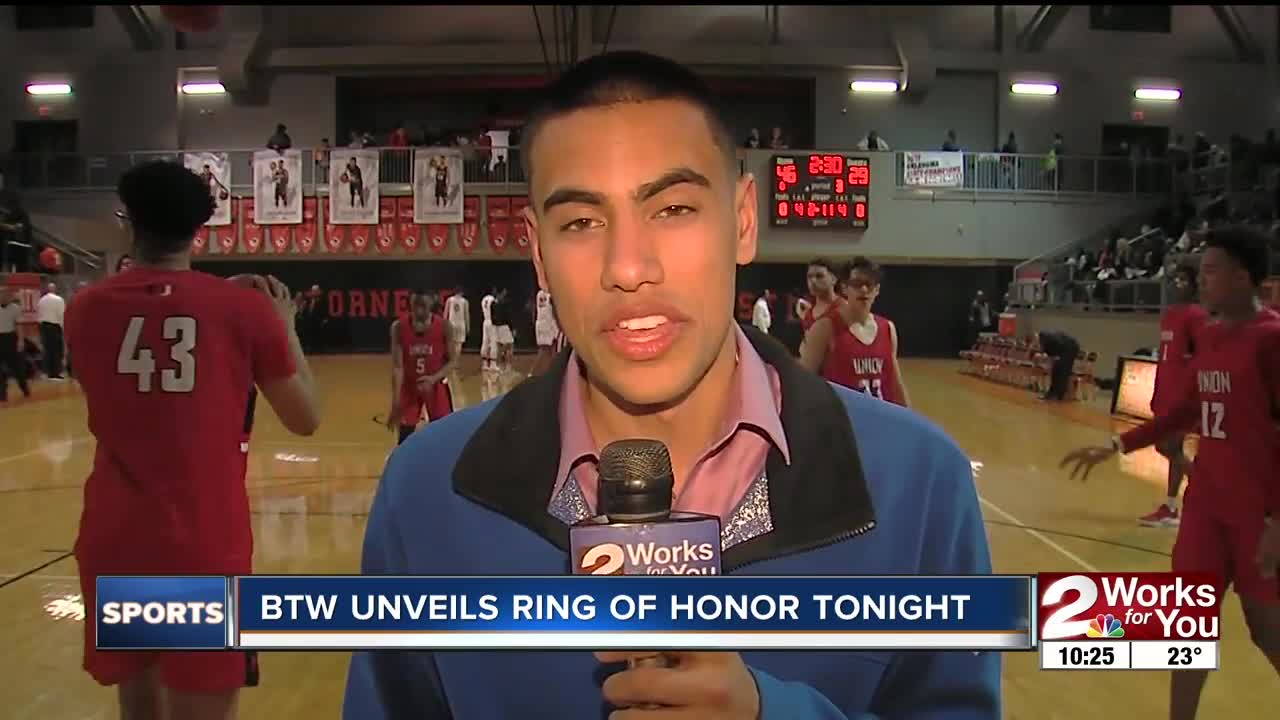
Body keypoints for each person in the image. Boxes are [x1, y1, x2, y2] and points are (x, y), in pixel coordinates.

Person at [344, 50, 997, 719]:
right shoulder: (424, 493)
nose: (629, 268)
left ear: (743, 221)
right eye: (580, 223)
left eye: (674, 208)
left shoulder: (921, 484)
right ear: (539, 254)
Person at [67, 161, 321, 720]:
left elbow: (151, 326)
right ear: (199, 228)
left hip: (117, 541)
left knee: (138, 711)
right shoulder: (244, 311)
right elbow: (305, 417)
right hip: (203, 543)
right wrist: (285, 327)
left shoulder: (84, 310)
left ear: (128, 223)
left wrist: (191, 298)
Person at [1061, 226, 1280, 720]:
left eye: (1211, 270)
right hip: (1207, 505)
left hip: (1257, 514)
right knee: (1188, 627)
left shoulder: (1271, 340)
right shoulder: (1209, 334)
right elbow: (1186, 413)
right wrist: (1117, 443)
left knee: (1266, 630)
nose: (1201, 279)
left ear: (1243, 276)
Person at [1138, 264, 1209, 528]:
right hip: (1166, 392)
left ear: (1194, 284)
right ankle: (1170, 507)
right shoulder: (1169, 315)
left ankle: (1208, 493)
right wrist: (1157, 392)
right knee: (1169, 447)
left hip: (1183, 396)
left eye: (1183, 279)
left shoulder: (1197, 316)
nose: (1177, 284)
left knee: (1168, 447)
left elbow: (1202, 357)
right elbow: (1166, 357)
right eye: (1174, 279)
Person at [799, 257, 911, 407]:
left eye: (869, 284)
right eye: (857, 284)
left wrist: (909, 417)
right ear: (845, 288)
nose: (864, 290)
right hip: (841, 422)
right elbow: (802, 381)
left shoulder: (887, 328)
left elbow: (895, 383)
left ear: (877, 289)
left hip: (878, 418)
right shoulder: (826, 327)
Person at [387, 291, 455, 446]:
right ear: (410, 305)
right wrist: (396, 401)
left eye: (423, 306)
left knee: (444, 436)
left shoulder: (444, 326)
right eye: (415, 306)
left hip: (435, 386)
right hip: (410, 387)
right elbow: (398, 367)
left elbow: (452, 361)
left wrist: (433, 378)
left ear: (431, 304)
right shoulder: (398, 327)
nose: (419, 311)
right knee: (404, 439)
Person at [0, 286, 31, 402]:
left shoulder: (15, 308)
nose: (2, 297)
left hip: (10, 338)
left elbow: (19, 326)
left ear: (9, 296)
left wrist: (20, 341)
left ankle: (24, 389)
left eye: (4, 295)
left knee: (17, 368)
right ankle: (2, 395)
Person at [798, 257, 842, 333]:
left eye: (819, 276)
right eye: (809, 277)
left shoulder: (844, 308)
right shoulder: (808, 314)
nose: (813, 281)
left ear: (833, 279)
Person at [1036, 329, 1080, 401]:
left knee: (1061, 372)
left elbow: (1052, 359)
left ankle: (1056, 395)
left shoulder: (1048, 342)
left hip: (1070, 349)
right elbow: (1052, 358)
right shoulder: (1047, 339)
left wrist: (1050, 369)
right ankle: (1056, 394)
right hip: (1069, 348)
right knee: (1060, 371)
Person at [37, 281, 66, 381]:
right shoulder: (59, 300)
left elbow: (39, 314)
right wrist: (63, 328)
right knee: (56, 350)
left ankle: (46, 372)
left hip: (44, 326)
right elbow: (61, 314)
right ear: (54, 289)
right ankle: (56, 373)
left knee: (46, 349)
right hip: (55, 326)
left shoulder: (41, 300)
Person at [530, 285, 560, 377]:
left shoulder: (539, 293)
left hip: (540, 323)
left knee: (550, 350)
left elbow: (534, 310)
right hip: (548, 323)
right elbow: (555, 311)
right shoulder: (550, 294)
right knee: (546, 350)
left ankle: (551, 372)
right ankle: (533, 373)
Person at [443, 286, 469, 380]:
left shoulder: (449, 300)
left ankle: (451, 361)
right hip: (461, 324)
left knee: (451, 343)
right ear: (461, 292)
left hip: (451, 324)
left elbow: (445, 313)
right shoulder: (465, 301)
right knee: (459, 344)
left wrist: (444, 324)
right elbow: (466, 315)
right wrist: (468, 326)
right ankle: (456, 362)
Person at [478, 288, 498, 399]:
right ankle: (493, 365)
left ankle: (485, 364)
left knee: (484, 342)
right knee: (493, 343)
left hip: (485, 321)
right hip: (491, 322)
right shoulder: (493, 300)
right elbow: (495, 312)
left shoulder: (483, 300)